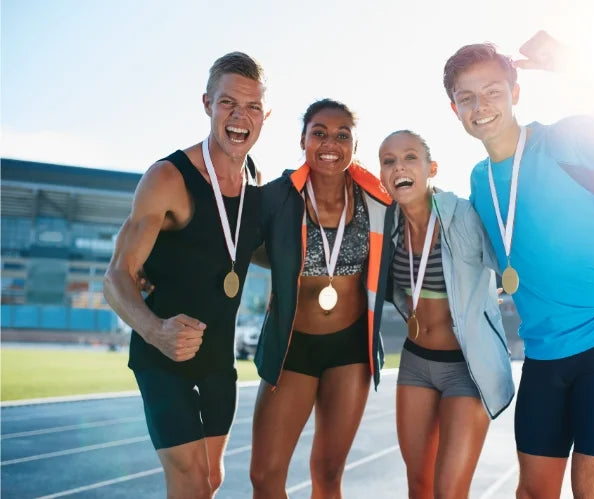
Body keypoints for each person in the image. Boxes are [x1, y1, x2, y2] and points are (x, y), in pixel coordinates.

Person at [443, 31, 594, 498]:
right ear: (455, 109)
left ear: (514, 94)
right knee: (532, 493)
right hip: (542, 356)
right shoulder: (478, 180)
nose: (480, 106)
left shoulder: (569, 140)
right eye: (466, 97)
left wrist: (578, 64)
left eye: (493, 91)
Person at [104, 52, 269, 499]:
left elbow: (250, 252)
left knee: (211, 480)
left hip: (218, 358)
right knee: (191, 482)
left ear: (264, 115)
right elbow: (116, 276)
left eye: (252, 106)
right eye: (227, 103)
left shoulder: (256, 181)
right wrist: (155, 330)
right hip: (163, 357)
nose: (240, 116)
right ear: (206, 104)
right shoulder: (168, 178)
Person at [249, 98, 392, 498]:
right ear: (303, 140)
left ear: (355, 144)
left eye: (342, 135)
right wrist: (154, 272)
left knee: (328, 473)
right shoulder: (277, 196)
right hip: (292, 347)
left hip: (350, 348)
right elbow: (227, 242)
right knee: (265, 476)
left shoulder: (377, 199)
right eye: (320, 133)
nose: (331, 142)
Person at [376, 129, 514, 498]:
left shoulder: (463, 215)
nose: (398, 166)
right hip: (415, 364)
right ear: (381, 177)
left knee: (449, 491)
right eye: (388, 161)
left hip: (466, 369)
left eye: (409, 158)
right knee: (418, 486)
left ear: (430, 168)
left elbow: (512, 256)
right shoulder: (387, 224)